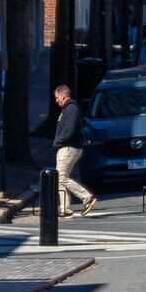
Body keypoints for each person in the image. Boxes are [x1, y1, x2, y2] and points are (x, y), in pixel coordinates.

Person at [50, 85, 98, 217]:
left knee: (62, 177)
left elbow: (69, 130)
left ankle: (87, 198)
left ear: (63, 95)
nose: (56, 101)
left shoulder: (71, 109)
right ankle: (65, 209)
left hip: (69, 147)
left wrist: (59, 140)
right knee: (60, 178)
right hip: (67, 147)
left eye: (57, 97)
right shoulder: (68, 108)